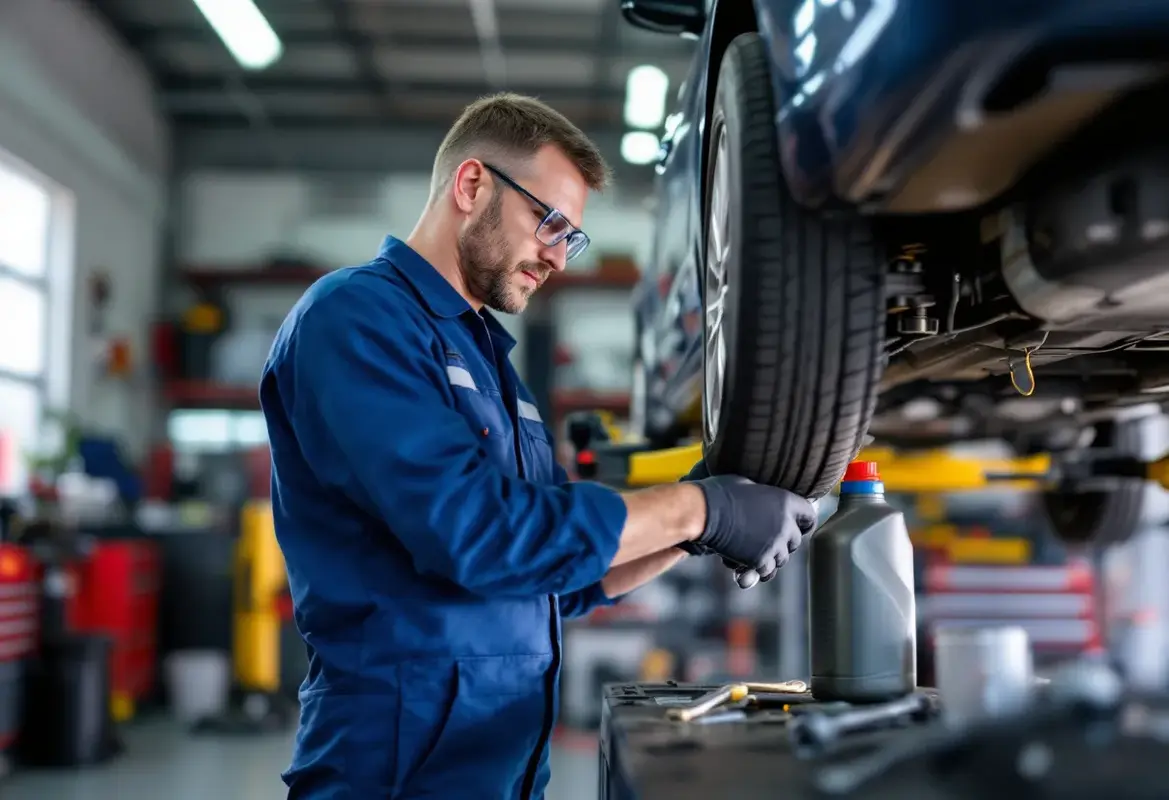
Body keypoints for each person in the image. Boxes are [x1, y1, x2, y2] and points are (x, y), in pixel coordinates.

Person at [259, 92, 817, 799]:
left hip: (503, 762)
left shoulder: (491, 359)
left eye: (571, 238)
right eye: (548, 222)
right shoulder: (355, 319)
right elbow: (479, 533)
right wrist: (695, 509)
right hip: (396, 764)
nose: (558, 257)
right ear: (471, 186)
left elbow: (562, 576)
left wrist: (697, 533)